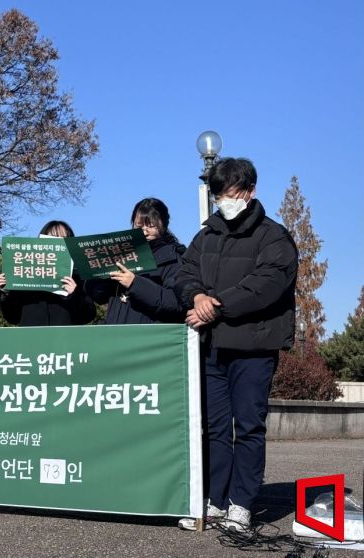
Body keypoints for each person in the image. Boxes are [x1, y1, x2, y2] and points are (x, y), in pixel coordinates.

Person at [175, 158, 298, 533]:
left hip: (254, 347)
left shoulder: (274, 236)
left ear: (250, 191)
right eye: (218, 195)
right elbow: (185, 273)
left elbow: (266, 285)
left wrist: (215, 306)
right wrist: (195, 295)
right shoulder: (205, 235)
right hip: (213, 347)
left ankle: (241, 504)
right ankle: (214, 500)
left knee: (247, 427)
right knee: (213, 428)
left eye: (230, 194)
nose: (224, 202)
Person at [86, 198, 185, 324]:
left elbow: (175, 303)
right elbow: (98, 297)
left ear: (164, 226)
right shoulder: (122, 254)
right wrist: (101, 275)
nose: (144, 232)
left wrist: (135, 283)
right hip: (115, 334)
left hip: (149, 337)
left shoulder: (173, 258)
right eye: (139, 226)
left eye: (151, 226)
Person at [0, 220, 96, 326]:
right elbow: (12, 317)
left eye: (63, 240)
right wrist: (6, 292)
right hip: (32, 340)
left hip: (65, 340)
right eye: (52, 238)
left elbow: (88, 316)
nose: (57, 244)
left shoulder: (77, 276)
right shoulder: (24, 274)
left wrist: (74, 295)